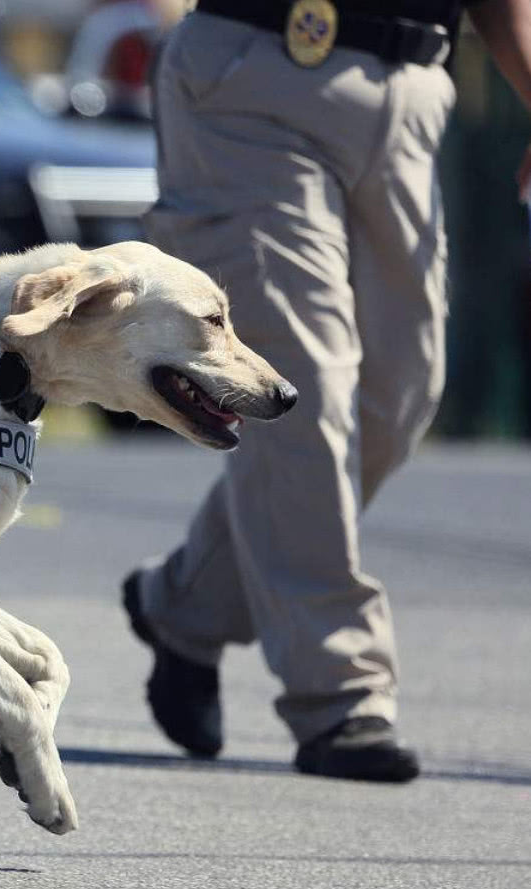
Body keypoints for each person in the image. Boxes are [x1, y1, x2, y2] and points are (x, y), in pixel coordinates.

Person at [123, 0, 531, 781]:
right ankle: (342, 697)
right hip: (257, 70)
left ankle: (185, 605)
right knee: (301, 387)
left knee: (401, 394)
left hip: (412, 88)